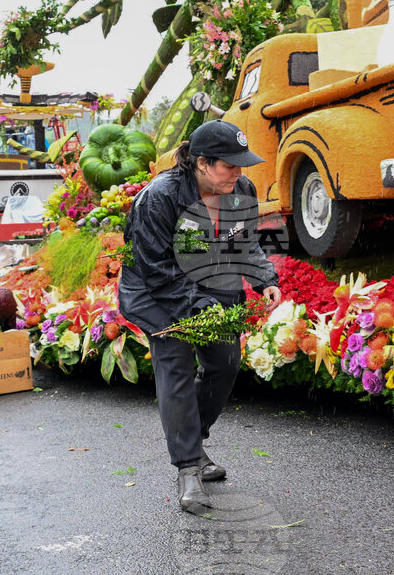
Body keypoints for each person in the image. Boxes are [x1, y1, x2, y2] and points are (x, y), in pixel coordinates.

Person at [118, 120, 282, 515]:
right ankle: (188, 467)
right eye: (230, 165)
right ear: (203, 163)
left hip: (210, 280)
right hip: (156, 290)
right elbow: (156, 270)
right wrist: (198, 306)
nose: (240, 174)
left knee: (225, 363)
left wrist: (264, 279)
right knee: (174, 360)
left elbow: (245, 244)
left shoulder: (240, 191)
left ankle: (195, 438)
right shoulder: (158, 198)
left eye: (243, 165)